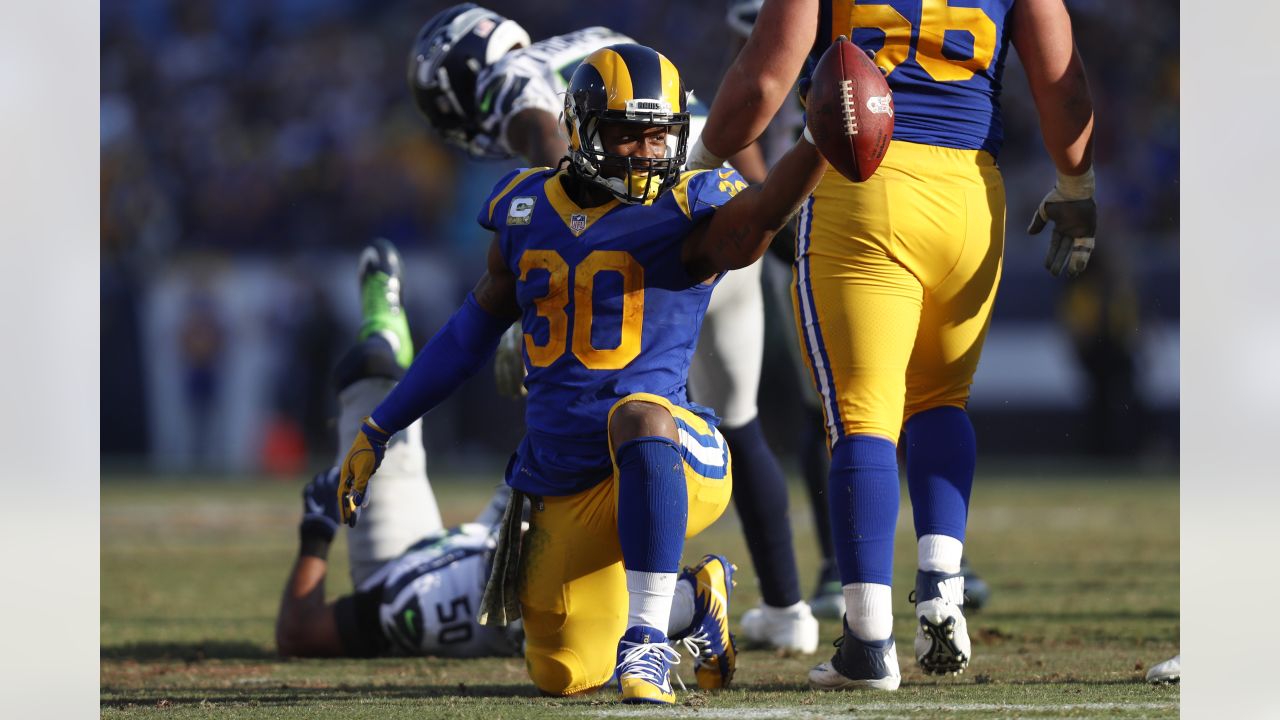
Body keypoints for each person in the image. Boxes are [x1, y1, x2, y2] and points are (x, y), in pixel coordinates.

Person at [337, 43, 829, 703]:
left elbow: (761, 216)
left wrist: (818, 146)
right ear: (582, 129)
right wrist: (380, 425)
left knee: (638, 412)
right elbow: (465, 337)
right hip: (563, 479)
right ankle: (692, 600)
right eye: (629, 136)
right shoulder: (524, 209)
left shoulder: (688, 208)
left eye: (661, 137)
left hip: (674, 452)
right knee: (563, 672)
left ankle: (649, 643)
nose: (648, 153)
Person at [690, 0, 1097, 690]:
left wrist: (695, 161)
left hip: (865, 179)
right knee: (941, 401)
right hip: (973, 192)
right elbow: (1063, 85)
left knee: (862, 413)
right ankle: (942, 585)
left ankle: (868, 639)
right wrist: (1077, 185)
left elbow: (765, 79)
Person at [276, 240, 737, 667]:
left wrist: (315, 531)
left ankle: (385, 329)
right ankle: (686, 601)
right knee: (580, 636)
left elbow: (300, 635)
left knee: (373, 371)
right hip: (481, 551)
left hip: (411, 561)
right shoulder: (512, 554)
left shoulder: (416, 603)